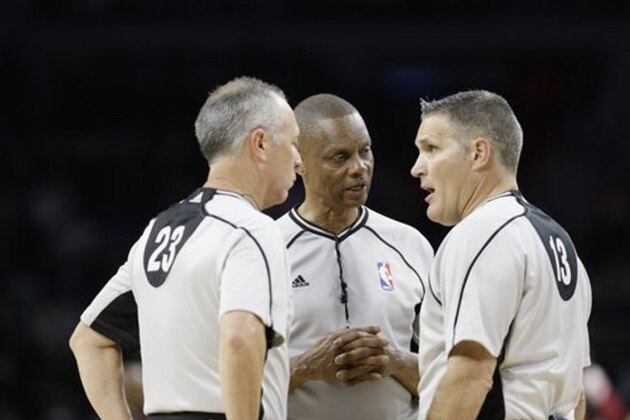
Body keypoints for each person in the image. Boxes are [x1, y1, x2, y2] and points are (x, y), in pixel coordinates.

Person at [69, 76, 302, 420]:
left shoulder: (157, 231)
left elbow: (88, 340)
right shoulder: (251, 230)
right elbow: (239, 338)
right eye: (294, 143)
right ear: (261, 143)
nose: (299, 160)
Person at [410, 90, 592, 419]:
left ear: (479, 153)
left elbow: (472, 371)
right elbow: (575, 393)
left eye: (431, 149)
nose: (416, 168)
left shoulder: (481, 233)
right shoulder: (559, 242)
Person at [276, 94, 434, 420]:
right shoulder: (266, 249)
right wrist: (305, 368)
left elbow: (455, 374)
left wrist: (394, 360)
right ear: (298, 161)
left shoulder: (410, 245)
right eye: (339, 157)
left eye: (365, 151)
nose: (359, 168)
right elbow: (231, 384)